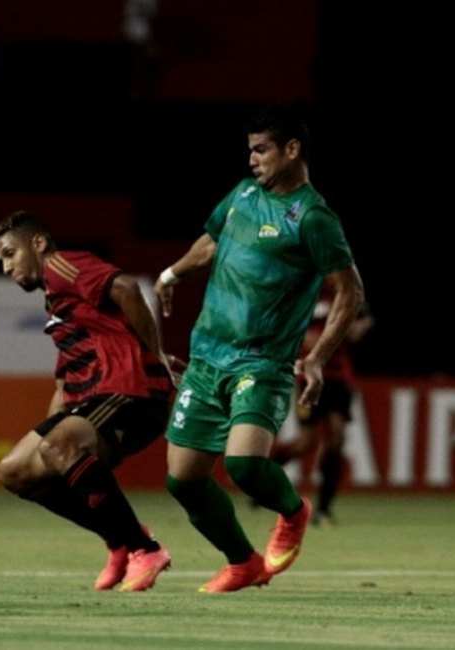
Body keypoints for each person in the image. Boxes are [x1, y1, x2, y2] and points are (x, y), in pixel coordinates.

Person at [154, 102, 365, 593]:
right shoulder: (244, 194)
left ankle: (294, 512)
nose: (252, 160)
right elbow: (212, 240)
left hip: (262, 361)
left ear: (292, 150)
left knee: (245, 465)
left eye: (262, 150)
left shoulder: (313, 218)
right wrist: (172, 273)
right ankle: (242, 562)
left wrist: (315, 358)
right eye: (250, 150)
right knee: (182, 480)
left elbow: (350, 290)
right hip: (208, 356)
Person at [0, 210, 179, 592]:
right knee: (13, 472)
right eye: (2, 260)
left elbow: (126, 288)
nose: (7, 267)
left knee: (57, 446)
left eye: (11, 253)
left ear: (38, 244)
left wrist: (155, 354)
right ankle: (120, 539)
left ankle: (145, 549)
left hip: (129, 391)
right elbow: (64, 380)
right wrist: (50, 435)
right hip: (92, 399)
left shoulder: (61, 265)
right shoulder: (57, 303)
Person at [269, 298, 373, 527]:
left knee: (337, 439)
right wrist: (339, 331)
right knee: (305, 443)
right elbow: (308, 340)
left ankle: (324, 508)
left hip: (339, 380)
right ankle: (263, 476)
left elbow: (357, 332)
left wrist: (356, 325)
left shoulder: (346, 294)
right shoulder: (306, 298)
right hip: (309, 378)